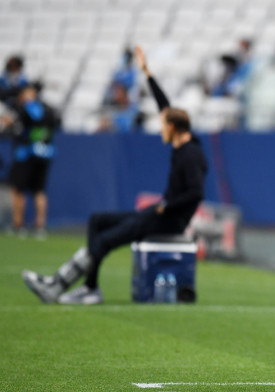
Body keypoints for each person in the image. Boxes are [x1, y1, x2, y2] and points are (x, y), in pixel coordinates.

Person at [21, 45, 208, 305]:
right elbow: (166, 105)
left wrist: (167, 206)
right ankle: (89, 287)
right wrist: (147, 73)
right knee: (98, 221)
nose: (160, 129)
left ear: (174, 128)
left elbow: (197, 192)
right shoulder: (183, 144)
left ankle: (57, 284)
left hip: (169, 220)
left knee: (107, 239)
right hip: (159, 212)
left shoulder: (191, 155)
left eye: (164, 126)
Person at [3, 86, 60, 238]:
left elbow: (17, 131)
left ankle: (18, 224)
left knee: (18, 189)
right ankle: (40, 226)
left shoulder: (24, 111)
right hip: (45, 154)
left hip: (26, 155)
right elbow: (53, 129)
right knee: (39, 191)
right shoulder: (48, 111)